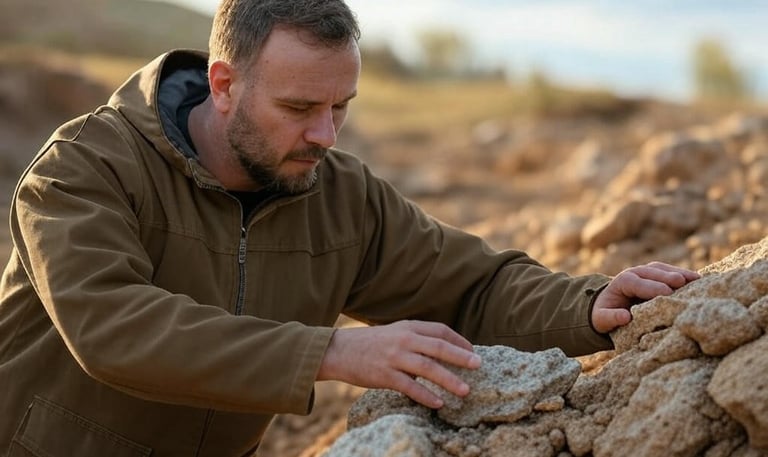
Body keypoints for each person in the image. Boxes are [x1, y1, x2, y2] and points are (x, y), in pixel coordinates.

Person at [0, 0, 699, 455]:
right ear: (223, 84)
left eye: (343, 105)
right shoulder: (83, 167)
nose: (327, 133)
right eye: (301, 106)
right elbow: (112, 326)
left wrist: (587, 303)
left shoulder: (339, 193)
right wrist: (330, 352)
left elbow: (472, 287)